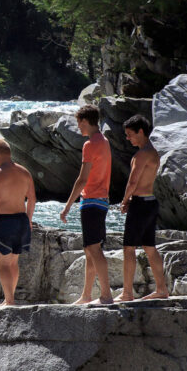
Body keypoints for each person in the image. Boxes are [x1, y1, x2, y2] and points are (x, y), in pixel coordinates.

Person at [60, 105, 114, 304]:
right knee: (90, 250)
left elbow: (82, 179)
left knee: (93, 248)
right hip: (102, 200)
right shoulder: (105, 141)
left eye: (78, 123)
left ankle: (106, 295)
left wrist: (66, 207)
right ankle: (86, 295)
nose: (78, 127)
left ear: (84, 120)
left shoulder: (90, 144)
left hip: (91, 200)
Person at [115, 114, 169, 301]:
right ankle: (161, 290)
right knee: (150, 247)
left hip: (140, 204)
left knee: (128, 248)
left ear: (141, 131)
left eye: (130, 134)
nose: (128, 138)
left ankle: (127, 293)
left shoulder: (141, 154)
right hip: (151, 201)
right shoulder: (153, 152)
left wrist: (124, 200)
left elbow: (133, 181)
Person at [0, 139, 36, 306]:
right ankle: (10, 298)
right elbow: (32, 199)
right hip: (21, 220)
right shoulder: (25, 172)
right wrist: (29, 220)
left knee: (3, 263)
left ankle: (9, 300)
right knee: (13, 262)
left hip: (3, 222)